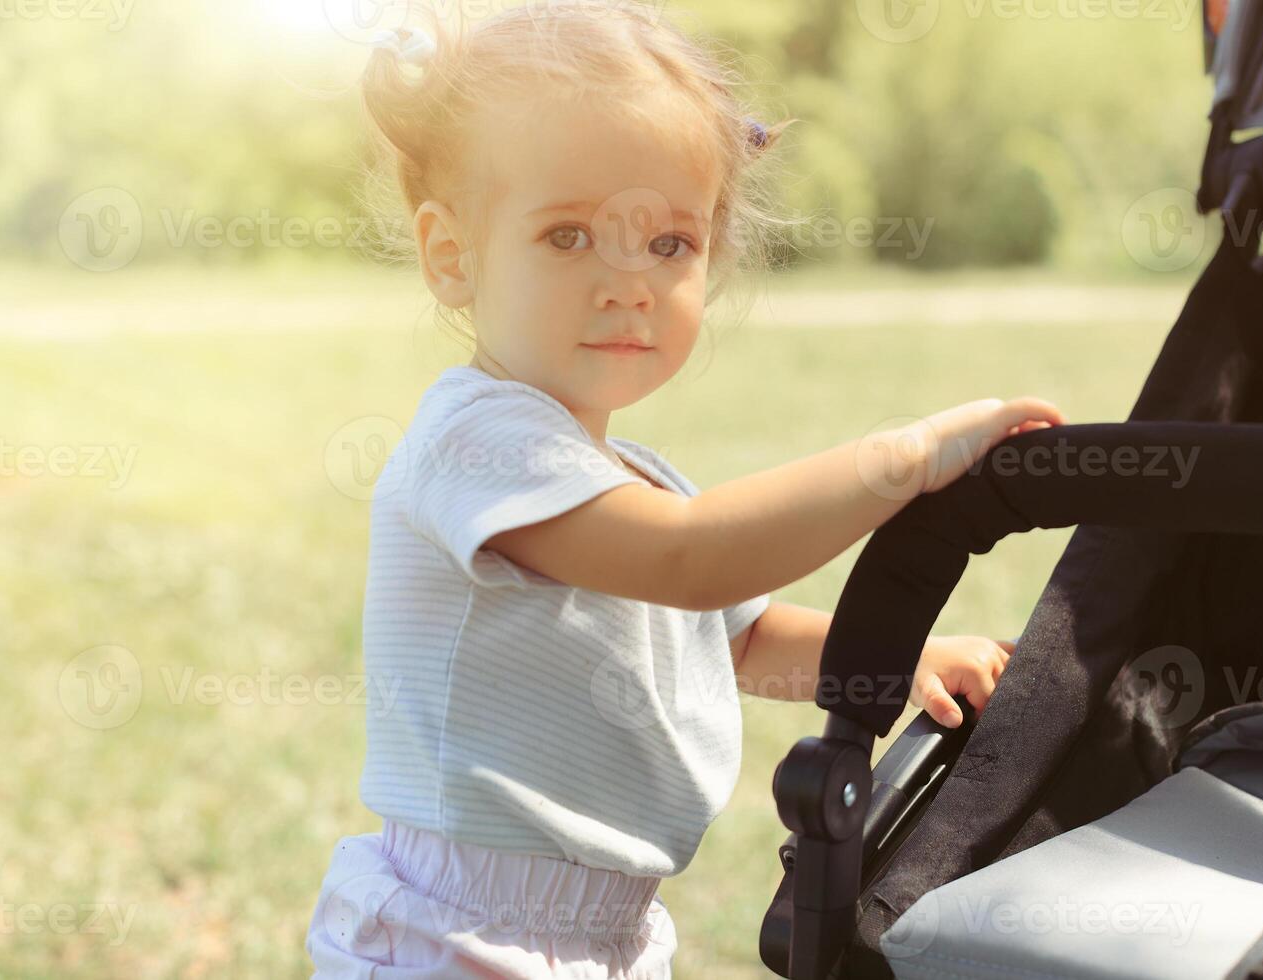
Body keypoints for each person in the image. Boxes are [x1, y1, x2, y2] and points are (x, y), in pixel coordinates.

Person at [305, 3, 1065, 976]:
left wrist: (905, 654)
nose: (627, 281)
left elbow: (740, 636)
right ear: (453, 253)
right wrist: (904, 458)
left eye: (668, 244)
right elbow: (694, 558)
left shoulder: (637, 481)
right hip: (457, 930)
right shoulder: (475, 439)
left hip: (604, 930)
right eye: (570, 235)